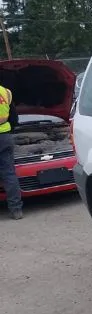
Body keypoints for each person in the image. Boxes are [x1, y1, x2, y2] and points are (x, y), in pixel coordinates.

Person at [0, 83, 23, 220]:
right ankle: (16, 210)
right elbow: (14, 118)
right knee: (9, 174)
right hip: (4, 136)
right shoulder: (5, 92)